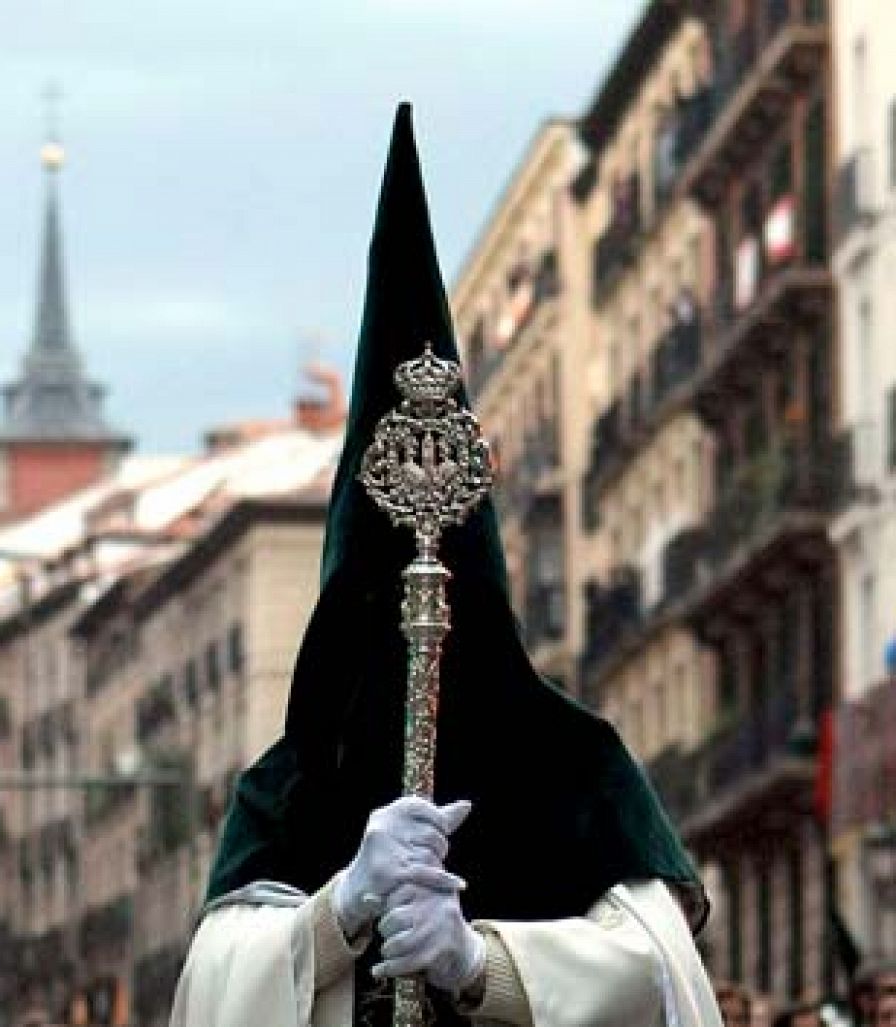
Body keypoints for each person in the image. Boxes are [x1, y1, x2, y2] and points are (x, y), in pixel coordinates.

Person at [168, 106, 721, 1027]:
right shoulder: (290, 787)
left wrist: (483, 962)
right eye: (369, 607)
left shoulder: (575, 767)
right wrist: (335, 912)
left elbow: (659, 976)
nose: (402, 636)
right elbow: (213, 986)